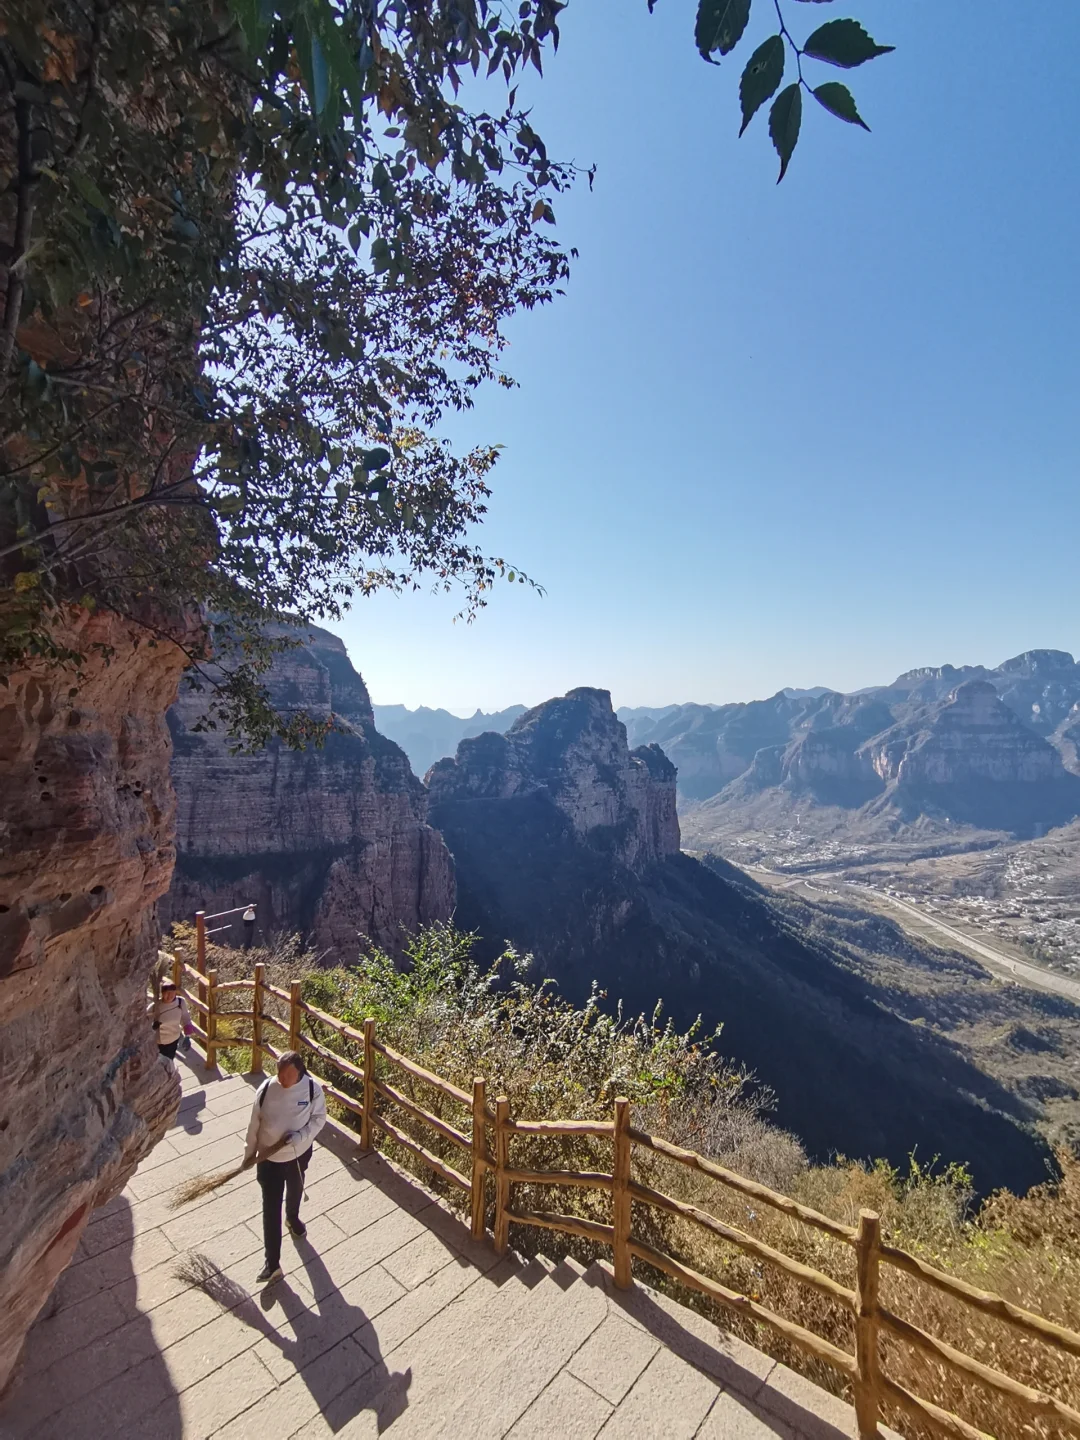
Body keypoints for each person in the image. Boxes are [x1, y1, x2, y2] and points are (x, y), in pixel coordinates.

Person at [244, 1051, 327, 1285]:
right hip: (269, 1160)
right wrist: (249, 1154)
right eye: (278, 1071)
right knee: (270, 1208)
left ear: (298, 1072)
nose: (280, 1077)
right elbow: (253, 1125)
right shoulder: (266, 1090)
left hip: (298, 1154)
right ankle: (272, 1263)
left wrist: (301, 1136)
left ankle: (292, 1216)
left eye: (285, 1073)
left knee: (296, 1187)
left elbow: (319, 1119)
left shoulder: (312, 1090)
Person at [149, 980, 193, 1065]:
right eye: (167, 993)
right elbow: (143, 1018)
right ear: (162, 993)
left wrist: (187, 1036)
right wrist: (152, 1026)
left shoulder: (180, 1002)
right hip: (158, 1041)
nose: (170, 996)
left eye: (172, 993)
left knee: (168, 1062)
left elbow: (186, 1018)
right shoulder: (156, 1005)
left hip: (173, 1039)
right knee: (157, 1064)